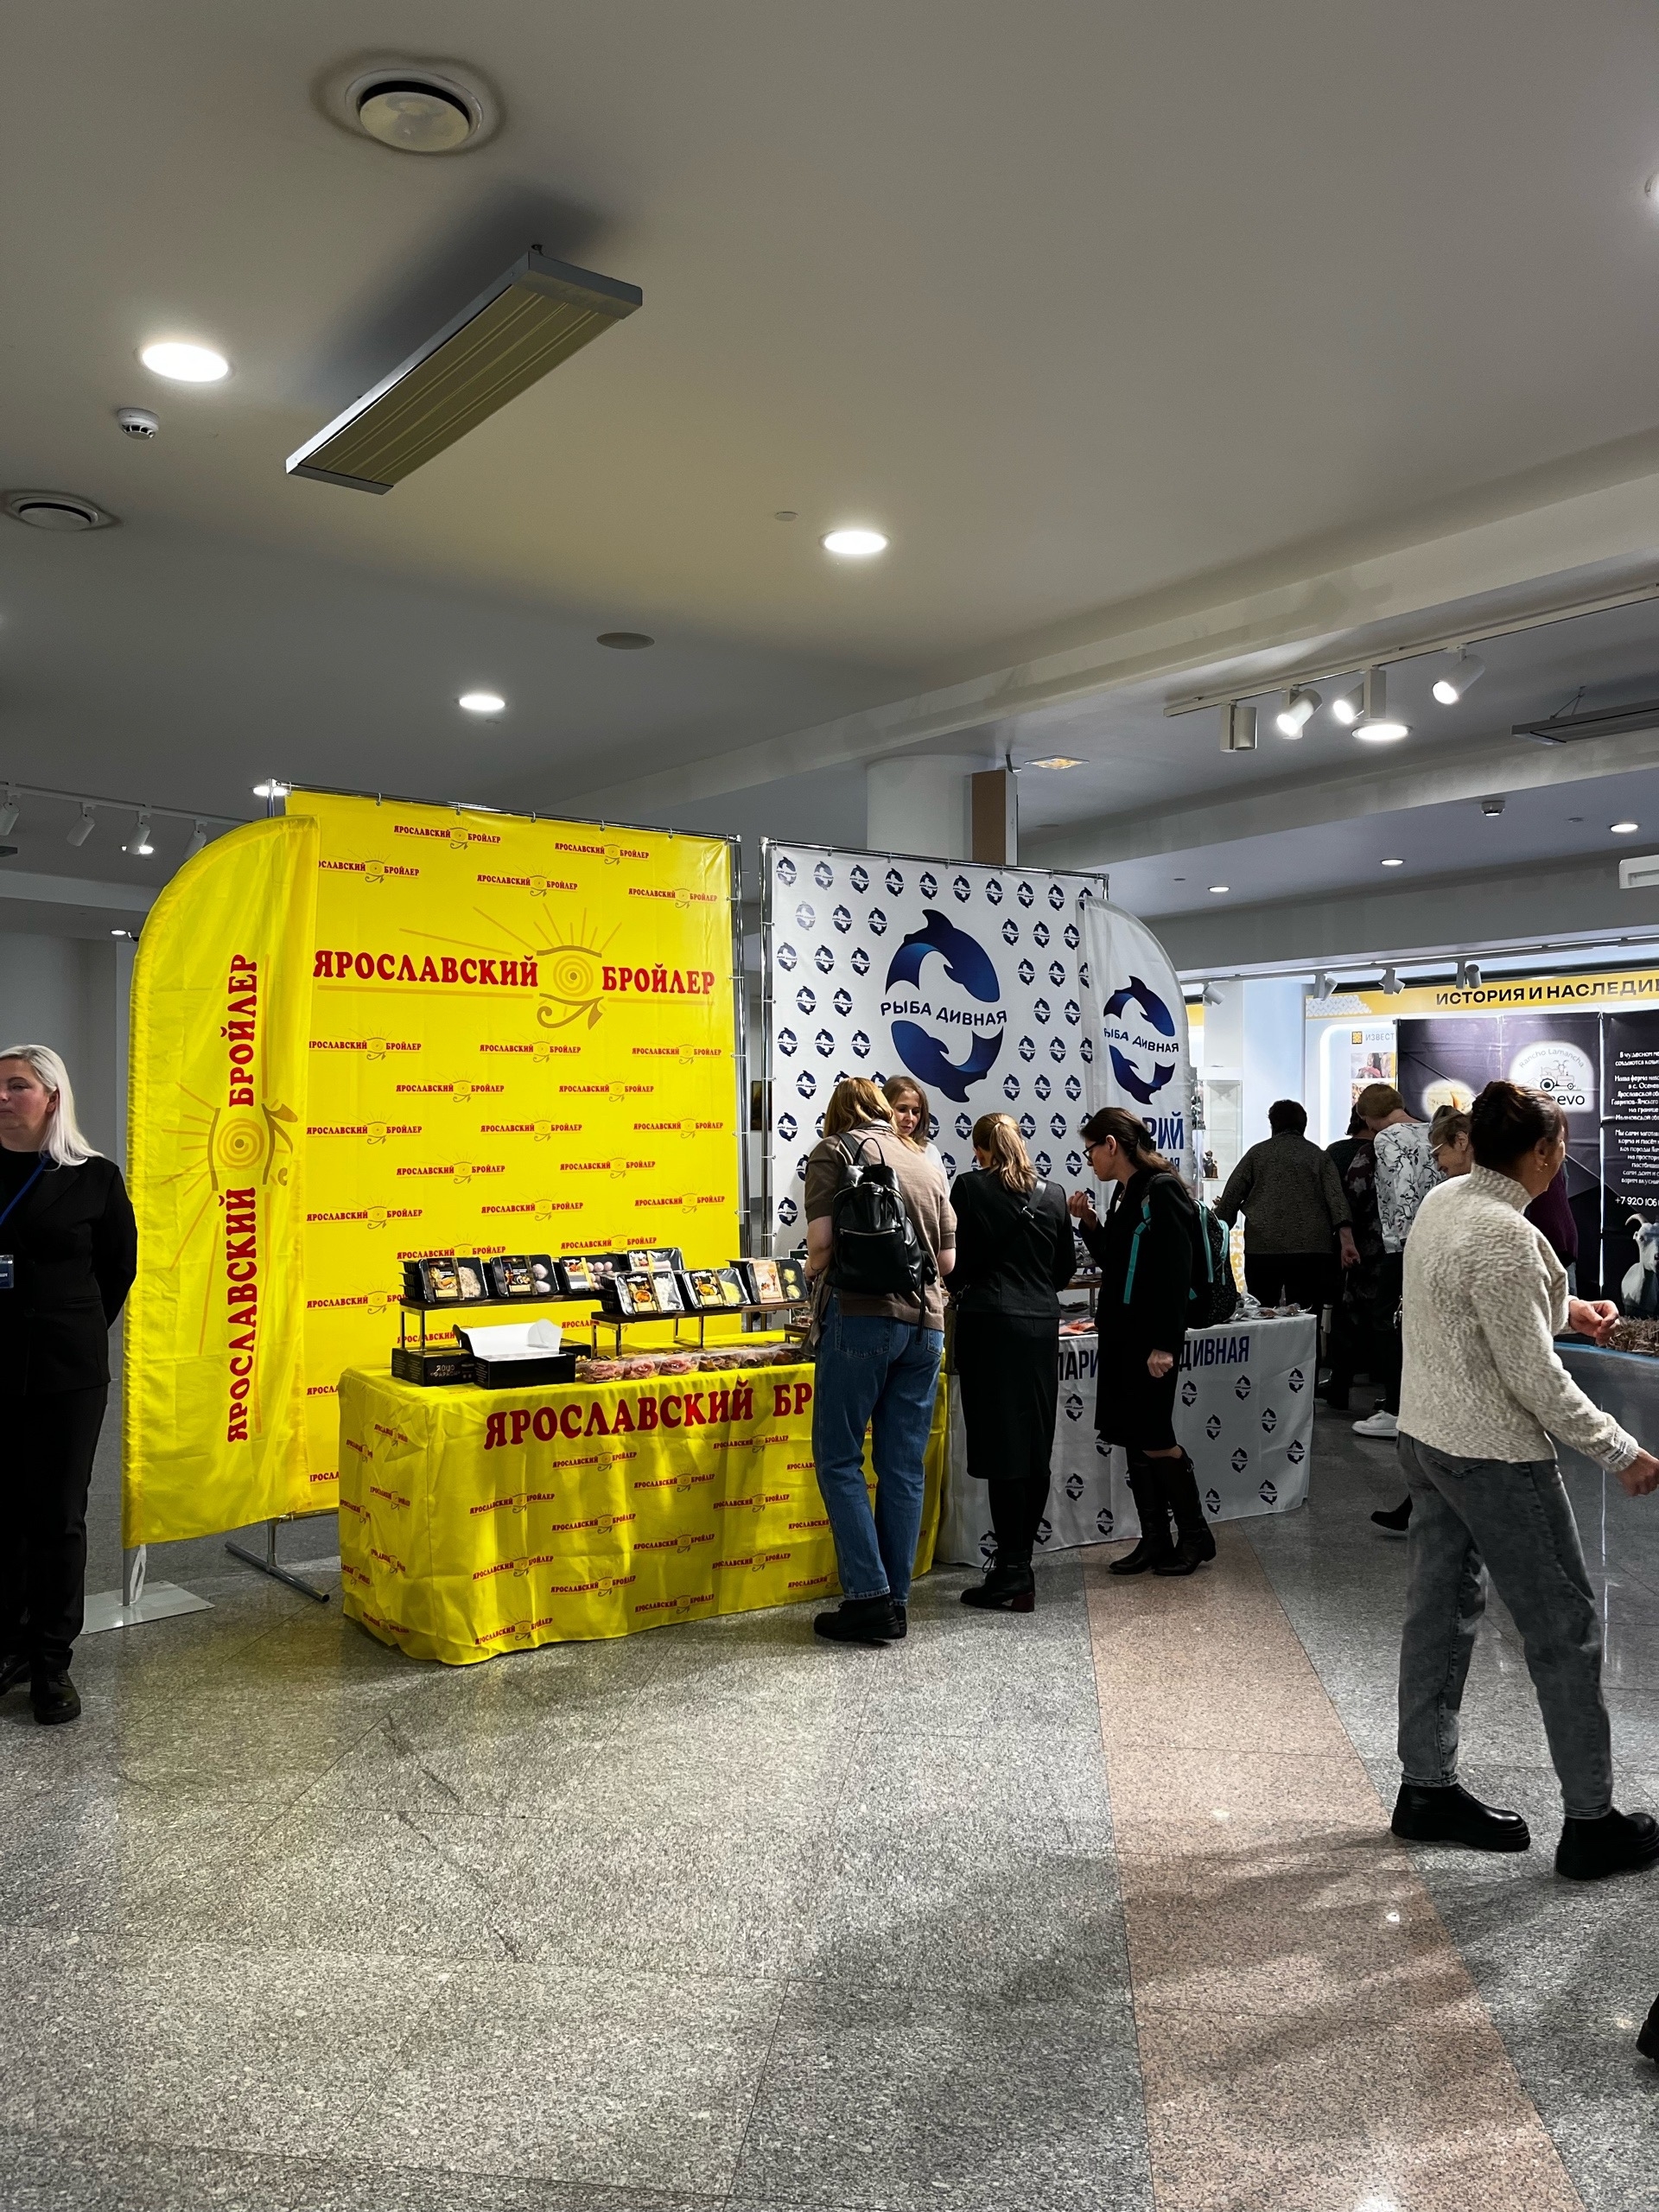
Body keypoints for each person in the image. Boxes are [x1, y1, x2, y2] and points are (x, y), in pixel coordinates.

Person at [1391, 1079, 1659, 1878]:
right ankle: (1592, 1822)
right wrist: (1622, 1450)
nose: (1564, 1158)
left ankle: (1425, 1788)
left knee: (1438, 1615)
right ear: (1542, 1152)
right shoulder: (1508, 1234)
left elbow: (1478, 1306)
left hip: (1427, 1438)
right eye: (1562, 1145)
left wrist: (1569, 1308)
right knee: (1564, 1631)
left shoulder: (1447, 1202)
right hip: (1494, 1457)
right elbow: (1536, 1380)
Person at [0, 1044, 137, 1726]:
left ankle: (52, 1660)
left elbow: (117, 1269)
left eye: (16, 1086)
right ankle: (11, 1645)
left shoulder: (94, 1178)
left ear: (52, 1097)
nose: (2, 1098)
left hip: (66, 1372)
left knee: (57, 1515)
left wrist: (73, 1328)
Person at [803, 1077, 955, 1644]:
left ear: (837, 1114)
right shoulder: (924, 1161)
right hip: (927, 1324)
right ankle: (895, 1601)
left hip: (862, 1316)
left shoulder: (835, 1151)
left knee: (839, 1457)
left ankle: (867, 1598)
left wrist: (810, 1272)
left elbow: (821, 1243)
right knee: (903, 1466)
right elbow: (947, 1259)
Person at [1068, 1107, 1213, 1576]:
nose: (1090, 1159)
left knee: (1155, 1438)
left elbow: (1175, 1272)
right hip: (1122, 1335)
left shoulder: (1161, 1189)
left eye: (1091, 1150)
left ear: (1111, 1144)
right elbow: (1117, 1260)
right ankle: (1155, 1539)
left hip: (1150, 1339)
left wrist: (1165, 1344)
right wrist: (1091, 1223)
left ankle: (1195, 1535)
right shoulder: (1125, 1192)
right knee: (1134, 1436)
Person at [948, 1114, 1076, 1613]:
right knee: (1033, 1446)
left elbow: (956, 1264)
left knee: (1002, 1448)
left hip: (991, 1326)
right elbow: (1062, 1271)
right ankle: (1019, 1564)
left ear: (980, 1149)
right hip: (1041, 1326)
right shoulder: (1053, 1194)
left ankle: (1013, 1571)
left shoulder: (970, 1188)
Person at [1371, 1106, 1472, 1534]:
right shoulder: (1456, 1195)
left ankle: (1425, 1508)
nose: (1437, 1164)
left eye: (1439, 1153)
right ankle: (1422, 1507)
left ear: (1462, 1142)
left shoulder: (1472, 1201)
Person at [1351, 1083, 1442, 1441]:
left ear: (1369, 1117)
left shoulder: (1386, 1138)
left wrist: (1402, 1240)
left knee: (1387, 1322)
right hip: (1439, 1239)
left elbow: (1399, 1189)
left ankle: (1396, 1409)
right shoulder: (1433, 1131)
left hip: (1405, 1244)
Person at [1216, 1099, 1358, 1322]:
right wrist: (1347, 1242)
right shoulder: (1319, 1156)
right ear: (1304, 1125)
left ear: (1273, 1124)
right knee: (1306, 1315)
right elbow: (1337, 1201)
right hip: (1312, 1248)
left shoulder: (1257, 1154)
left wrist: (1217, 1231)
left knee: (1261, 1311)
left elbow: (1230, 1198)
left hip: (1263, 1246)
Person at [881, 1074, 944, 1169]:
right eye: (902, 1109)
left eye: (915, 1112)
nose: (910, 1118)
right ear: (884, 1108)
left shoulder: (930, 1152)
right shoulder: (872, 1146)